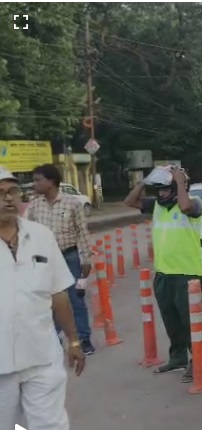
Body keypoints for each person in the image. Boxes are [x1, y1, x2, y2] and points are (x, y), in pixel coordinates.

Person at [0, 166, 85, 430]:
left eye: (13, 191)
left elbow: (58, 292)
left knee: (51, 426)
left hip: (42, 357)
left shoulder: (40, 236)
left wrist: (73, 341)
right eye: (0, 193)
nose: (8, 198)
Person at [123, 165, 202, 382]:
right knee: (171, 321)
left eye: (165, 189)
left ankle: (197, 360)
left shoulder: (195, 203)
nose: (161, 193)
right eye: (158, 189)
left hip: (187, 275)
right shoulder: (158, 206)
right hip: (163, 274)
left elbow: (186, 205)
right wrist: (145, 181)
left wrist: (179, 181)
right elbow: (129, 202)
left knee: (191, 323)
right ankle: (177, 358)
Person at [24, 164, 95, 355]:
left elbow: (82, 232)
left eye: (38, 179)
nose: (35, 183)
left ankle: (84, 338)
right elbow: (26, 231)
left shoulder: (72, 203)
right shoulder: (35, 204)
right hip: (44, 260)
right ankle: (54, 341)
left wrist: (86, 259)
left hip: (70, 257)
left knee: (76, 299)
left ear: (51, 181)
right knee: (48, 301)